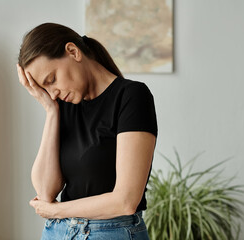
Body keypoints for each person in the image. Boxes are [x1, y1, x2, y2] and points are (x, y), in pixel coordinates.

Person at [16, 22, 158, 240]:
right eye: (44, 88)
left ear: (73, 52)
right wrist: (51, 111)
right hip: (57, 232)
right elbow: (45, 192)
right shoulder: (63, 105)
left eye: (52, 80)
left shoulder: (131, 97)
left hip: (111, 232)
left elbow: (126, 201)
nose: (52, 93)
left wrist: (56, 211)